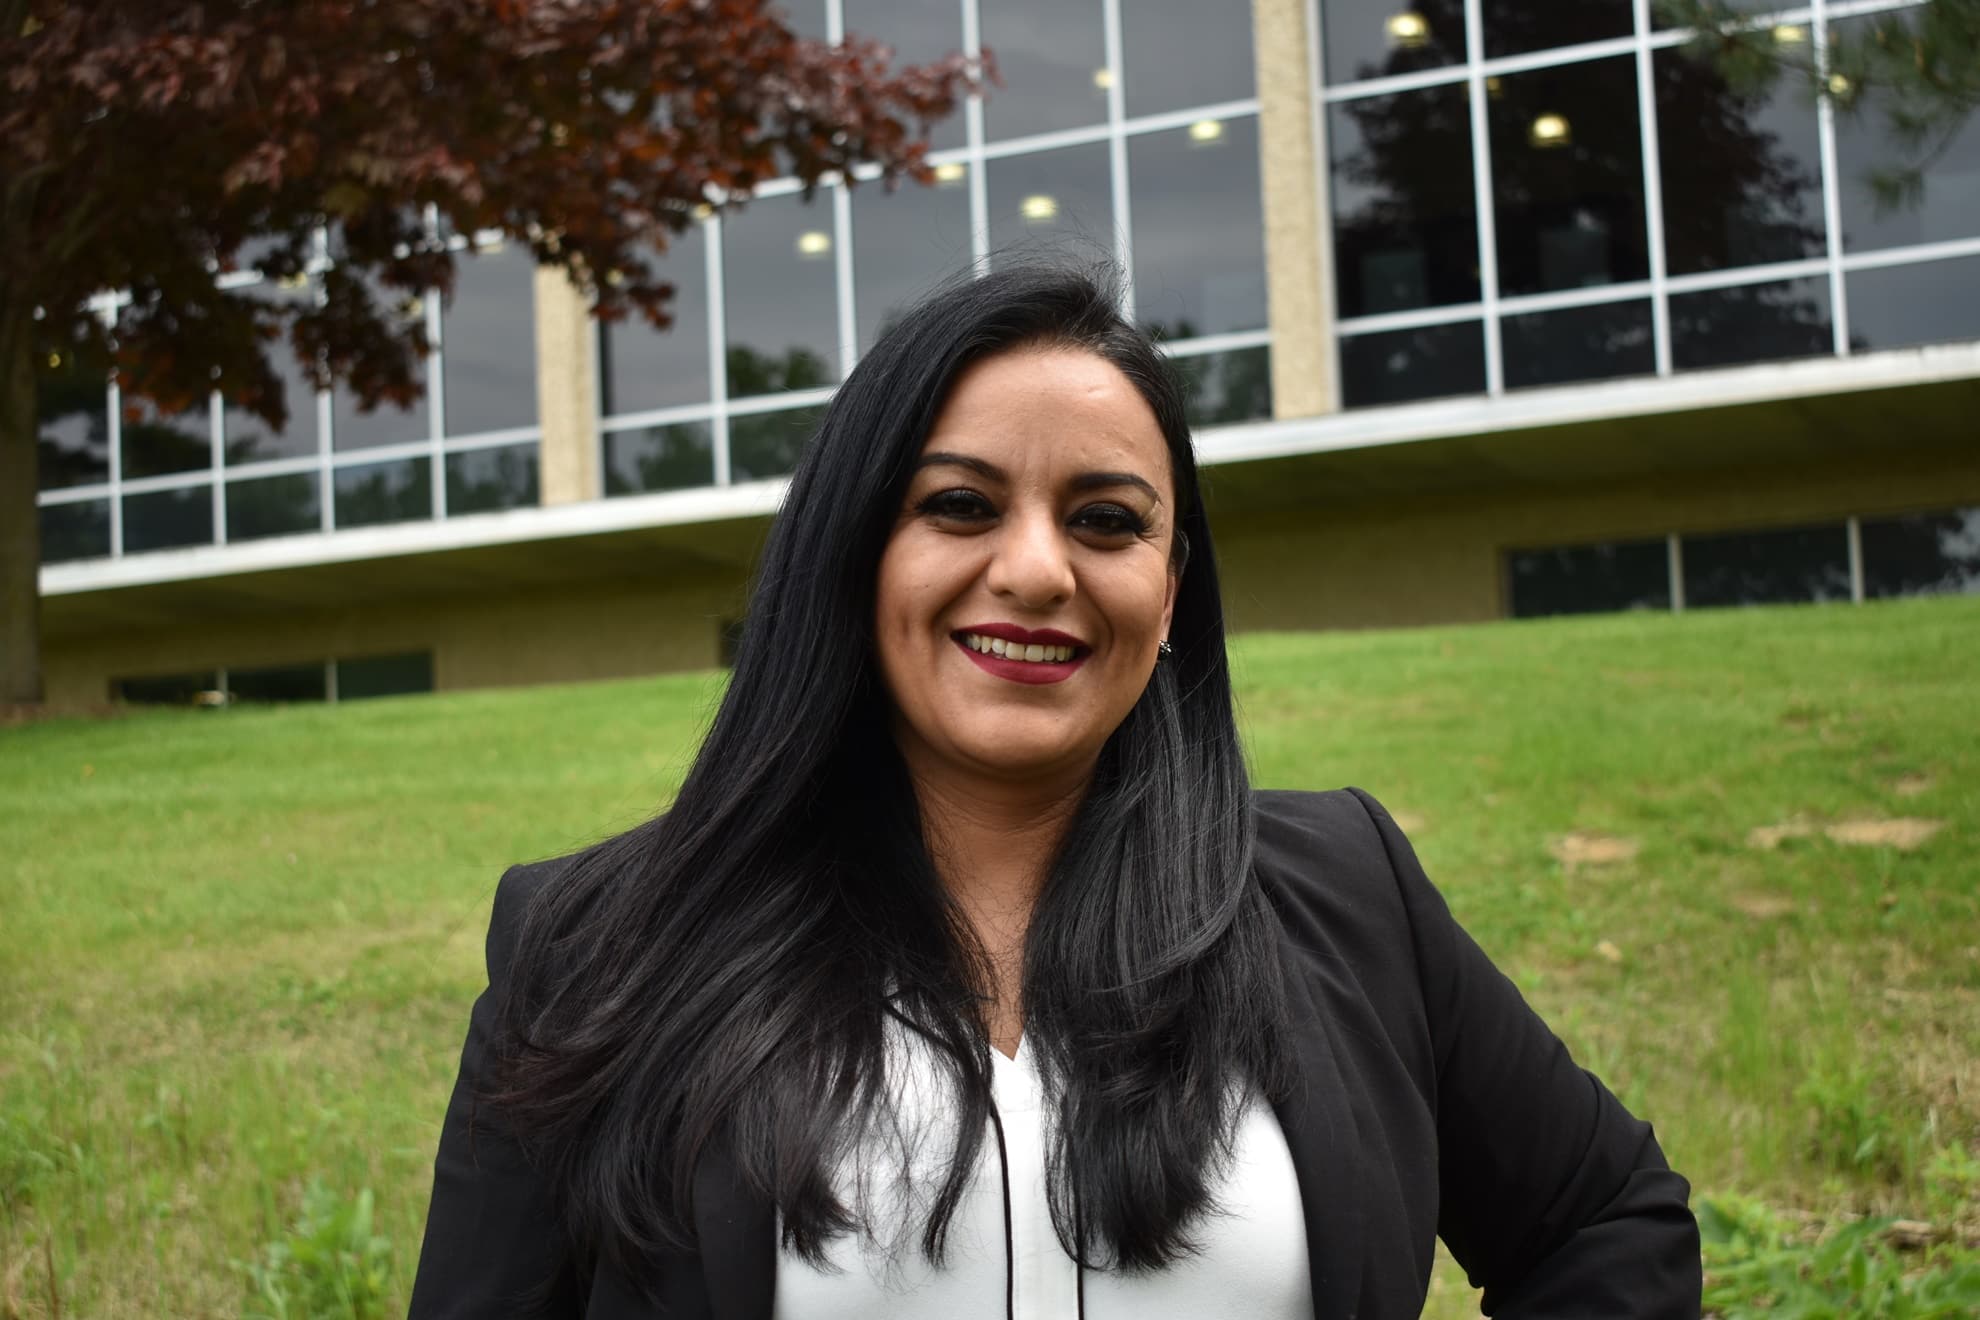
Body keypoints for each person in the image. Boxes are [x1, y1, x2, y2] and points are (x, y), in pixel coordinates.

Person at [408, 265, 1701, 1319]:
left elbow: (1606, 1222)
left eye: (1106, 521)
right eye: (961, 505)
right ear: (853, 553)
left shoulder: (1346, 891)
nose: (1036, 570)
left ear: (1172, 586)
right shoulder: (593, 946)